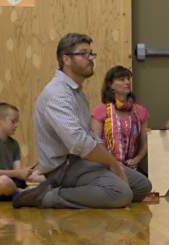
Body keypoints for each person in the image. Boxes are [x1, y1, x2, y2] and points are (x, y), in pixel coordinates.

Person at [12, 33, 152, 208]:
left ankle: (92, 190)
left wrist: (111, 162)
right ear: (66, 59)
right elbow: (78, 143)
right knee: (121, 193)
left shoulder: (78, 93)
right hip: (63, 168)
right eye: (84, 53)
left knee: (142, 186)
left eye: (91, 53)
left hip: (83, 162)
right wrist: (112, 163)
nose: (90, 58)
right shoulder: (56, 94)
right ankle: (47, 196)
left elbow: (90, 137)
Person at [0, 103, 44, 202]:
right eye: (13, 121)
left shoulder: (14, 144)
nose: (16, 125)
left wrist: (26, 173)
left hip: (11, 183)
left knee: (42, 175)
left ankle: (22, 192)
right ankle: (21, 193)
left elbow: (17, 172)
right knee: (3, 180)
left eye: (17, 122)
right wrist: (18, 173)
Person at [91, 66, 149, 173]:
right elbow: (95, 143)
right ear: (110, 85)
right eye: (122, 79)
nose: (127, 82)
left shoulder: (141, 111)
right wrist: (111, 162)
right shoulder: (100, 111)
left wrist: (137, 159)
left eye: (128, 79)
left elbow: (145, 142)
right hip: (106, 167)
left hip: (131, 167)